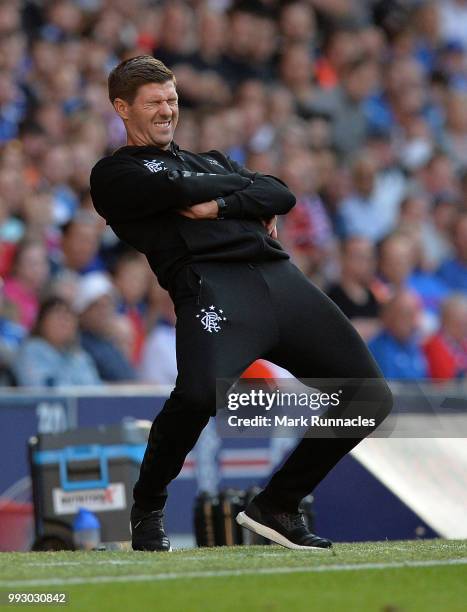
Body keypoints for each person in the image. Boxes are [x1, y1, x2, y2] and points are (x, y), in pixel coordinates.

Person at [90, 56, 392, 552]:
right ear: (122, 108)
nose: (167, 110)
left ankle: (277, 504)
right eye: (155, 102)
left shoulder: (210, 158)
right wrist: (248, 197)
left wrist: (225, 204)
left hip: (280, 279)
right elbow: (184, 190)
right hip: (214, 288)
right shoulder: (114, 173)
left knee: (368, 397)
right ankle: (148, 507)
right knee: (195, 396)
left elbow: (283, 193)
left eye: (172, 99)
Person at [13, 296, 101, 387]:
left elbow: (95, 390)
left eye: (68, 319)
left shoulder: (80, 356)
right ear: (42, 322)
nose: (64, 323)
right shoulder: (31, 351)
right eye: (58, 318)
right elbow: (39, 388)